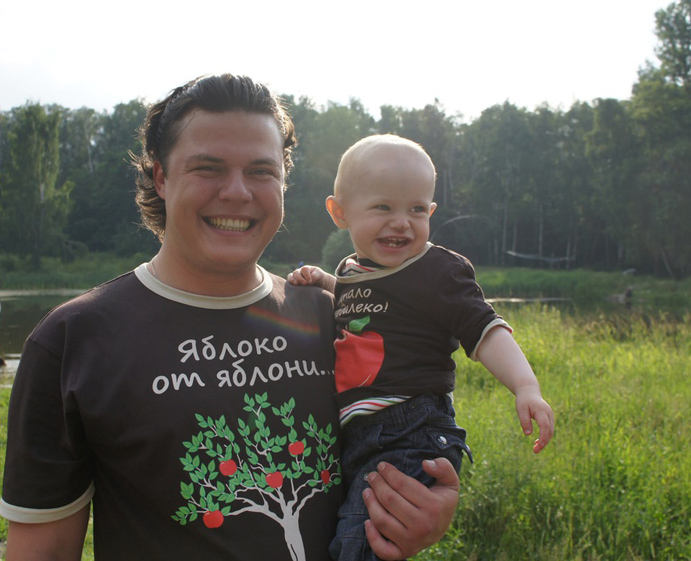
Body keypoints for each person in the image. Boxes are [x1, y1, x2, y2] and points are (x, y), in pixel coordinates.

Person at [0, 76, 461, 561]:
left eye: (261, 171)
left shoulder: (336, 319)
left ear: (283, 183)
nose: (238, 192)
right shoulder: (74, 341)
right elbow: (42, 552)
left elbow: (398, 450)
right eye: (208, 168)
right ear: (161, 177)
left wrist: (417, 507)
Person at [288, 134, 555, 561]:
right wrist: (325, 282)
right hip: (360, 435)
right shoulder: (352, 271)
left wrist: (526, 386)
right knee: (346, 534)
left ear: (430, 212)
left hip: (409, 430)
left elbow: (485, 329)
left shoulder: (436, 270)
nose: (402, 222)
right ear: (340, 213)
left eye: (416, 209)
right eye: (383, 207)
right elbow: (370, 306)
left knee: (361, 544)